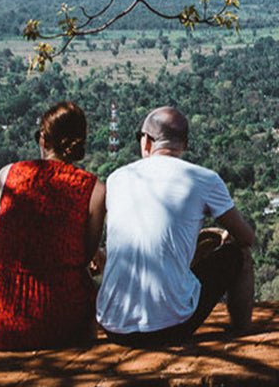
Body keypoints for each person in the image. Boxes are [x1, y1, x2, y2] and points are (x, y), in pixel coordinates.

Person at [96, 106, 255, 346]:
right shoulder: (204, 179)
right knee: (239, 255)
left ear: (146, 142)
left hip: (112, 326)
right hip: (170, 328)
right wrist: (228, 236)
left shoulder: (116, 178)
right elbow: (247, 237)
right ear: (186, 144)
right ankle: (240, 330)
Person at [0, 102, 106, 350]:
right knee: (91, 295)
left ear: (43, 140)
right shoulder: (94, 190)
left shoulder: (7, 175)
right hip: (59, 319)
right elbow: (84, 256)